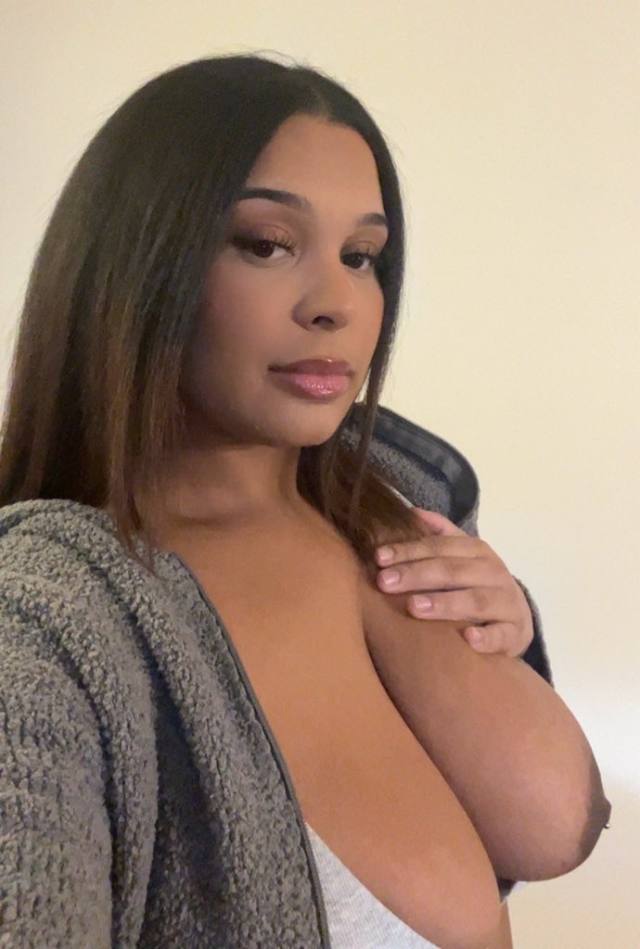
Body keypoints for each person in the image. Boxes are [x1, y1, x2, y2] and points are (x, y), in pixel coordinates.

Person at [0, 53, 610, 948]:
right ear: (137, 265)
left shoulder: (396, 497)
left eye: (362, 256)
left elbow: (558, 826)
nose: (337, 303)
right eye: (266, 243)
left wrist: (508, 629)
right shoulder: (47, 614)